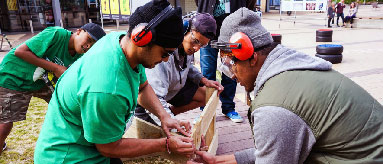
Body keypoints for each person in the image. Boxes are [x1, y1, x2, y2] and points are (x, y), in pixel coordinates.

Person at [191, 7, 383, 163]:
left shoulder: (275, 106)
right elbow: (277, 146)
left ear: (252, 57)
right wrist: (218, 161)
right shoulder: (293, 68)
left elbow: (276, 141)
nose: (231, 76)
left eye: (230, 63)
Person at [34, 1, 195, 163]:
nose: (166, 59)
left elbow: (142, 87)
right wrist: (165, 144)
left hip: (91, 146)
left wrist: (164, 116)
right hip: (69, 156)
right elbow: (109, 148)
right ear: (141, 39)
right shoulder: (107, 88)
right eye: (165, 53)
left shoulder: (119, 43)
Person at [0, 23, 105, 154]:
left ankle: (78, 145)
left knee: (69, 108)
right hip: (15, 75)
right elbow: (20, 51)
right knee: (6, 122)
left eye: (93, 45)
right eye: (88, 40)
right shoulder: (56, 34)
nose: (88, 46)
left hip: (42, 82)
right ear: (78, 31)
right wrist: (55, 68)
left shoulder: (82, 55)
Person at [135, 13, 223, 126]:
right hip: (151, 98)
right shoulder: (164, 56)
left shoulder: (187, 48)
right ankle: (166, 117)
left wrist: (202, 79)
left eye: (202, 45)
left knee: (206, 95)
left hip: (172, 88)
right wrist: (172, 124)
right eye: (195, 41)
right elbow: (154, 96)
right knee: (165, 136)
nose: (196, 48)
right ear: (184, 29)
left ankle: (170, 113)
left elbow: (187, 66)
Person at [195, 0, 256, 123]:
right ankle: (206, 111)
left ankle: (228, 108)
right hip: (207, 31)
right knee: (207, 72)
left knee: (230, 71)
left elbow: (250, 4)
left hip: (233, 33)